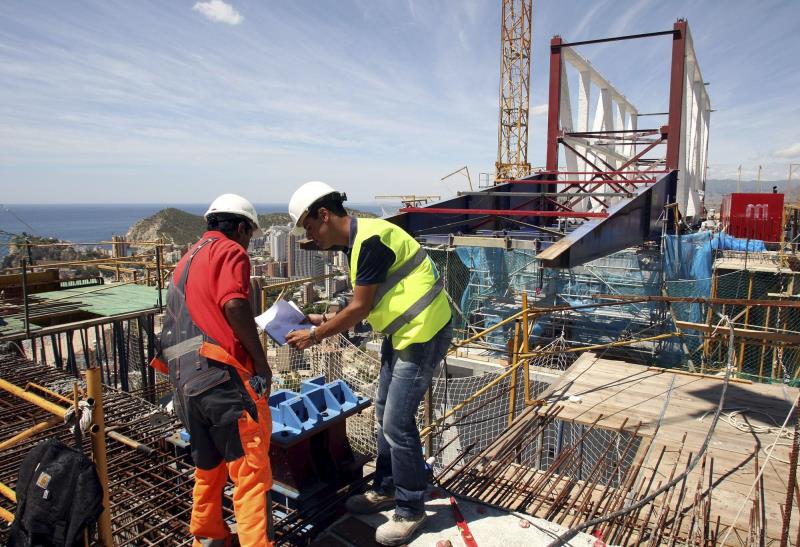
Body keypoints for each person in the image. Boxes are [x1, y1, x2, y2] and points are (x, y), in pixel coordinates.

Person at [285, 181, 452, 546]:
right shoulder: (359, 243)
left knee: (397, 421)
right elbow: (367, 300)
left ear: (324, 215)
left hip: (424, 332)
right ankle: (388, 486)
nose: (310, 235)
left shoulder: (370, 241)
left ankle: (411, 508)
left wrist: (315, 335)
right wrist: (322, 320)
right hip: (405, 331)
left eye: (310, 226)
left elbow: (360, 308)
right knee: (382, 412)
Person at [151, 194, 273, 547]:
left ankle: (208, 537)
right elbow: (234, 304)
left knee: (209, 466)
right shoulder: (231, 251)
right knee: (250, 475)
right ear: (239, 227)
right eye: (249, 234)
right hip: (220, 378)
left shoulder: (186, 259)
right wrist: (261, 361)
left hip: (185, 383)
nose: (248, 242)